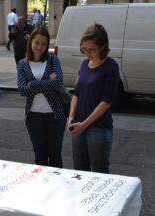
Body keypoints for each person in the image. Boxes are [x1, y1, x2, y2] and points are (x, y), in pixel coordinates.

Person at [67, 23, 120, 174]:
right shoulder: (84, 64)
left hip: (98, 128)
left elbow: (106, 102)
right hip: (78, 124)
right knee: (79, 173)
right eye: (84, 49)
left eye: (92, 50)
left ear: (103, 46)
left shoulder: (111, 66)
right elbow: (76, 93)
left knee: (99, 173)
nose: (88, 53)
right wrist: (71, 118)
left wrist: (85, 124)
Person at [17, 27, 66, 167]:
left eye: (43, 44)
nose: (39, 47)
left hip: (55, 115)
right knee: (40, 157)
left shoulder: (52, 60)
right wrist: (48, 81)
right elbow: (22, 90)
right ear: (31, 41)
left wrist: (32, 83)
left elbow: (58, 83)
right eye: (36, 43)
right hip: (34, 116)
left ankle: (56, 186)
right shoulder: (23, 64)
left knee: (55, 156)